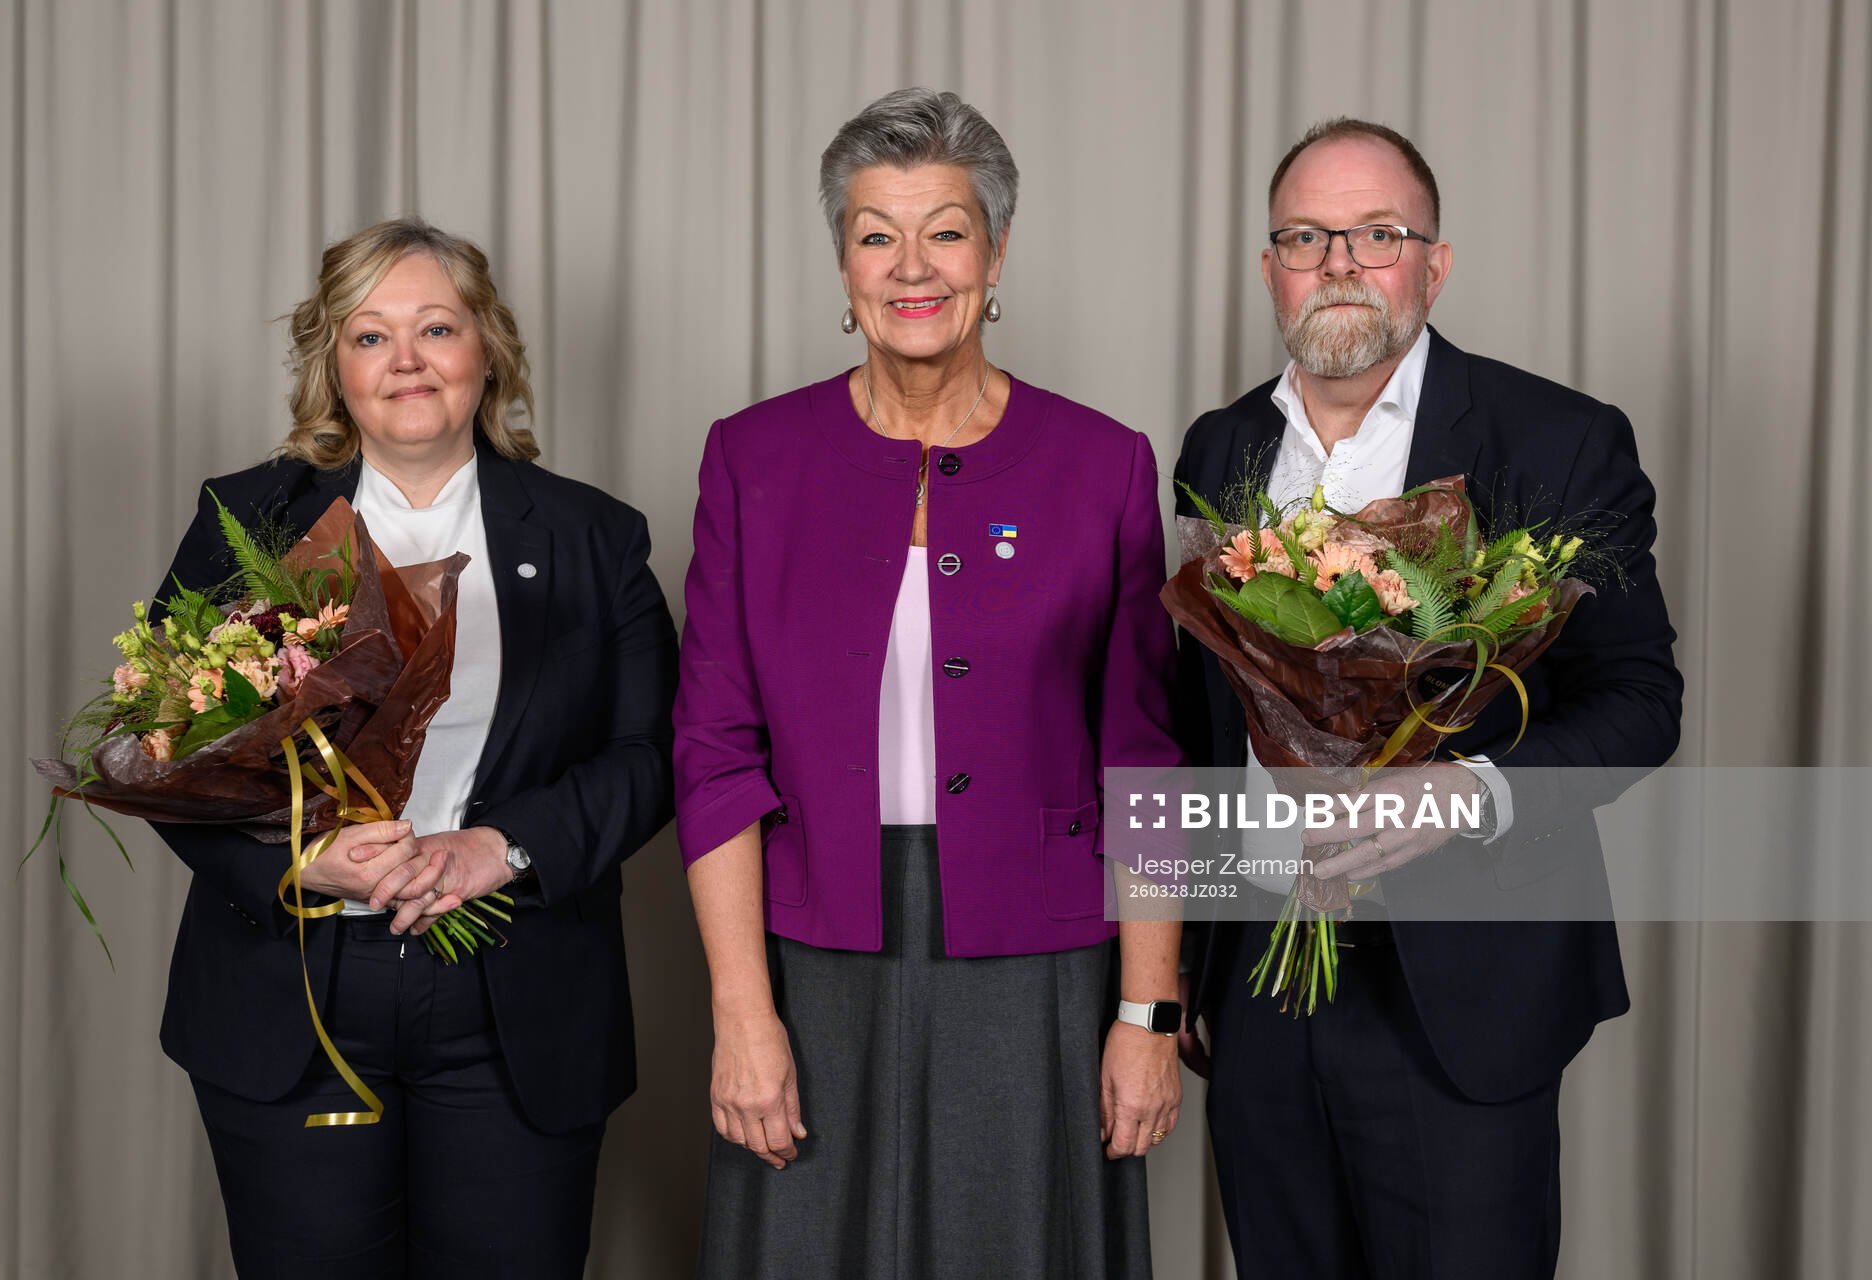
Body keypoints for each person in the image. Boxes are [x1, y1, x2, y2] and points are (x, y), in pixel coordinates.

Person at [673, 88, 1184, 1279]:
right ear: (842, 261)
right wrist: (742, 1011)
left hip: (1040, 958)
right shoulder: (752, 457)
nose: (912, 266)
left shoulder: (1103, 464)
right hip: (807, 950)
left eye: (946, 231)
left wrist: (1146, 1013)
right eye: (876, 234)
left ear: (994, 255)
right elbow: (714, 752)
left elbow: (1145, 763)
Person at [1171, 118, 1685, 1279]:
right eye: (1306, 237)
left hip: (1461, 994)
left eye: (1378, 233)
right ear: (1270, 267)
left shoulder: (1556, 438)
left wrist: (1465, 791)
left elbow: (1641, 698)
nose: (1339, 263)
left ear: (1434, 264)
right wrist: (1185, 960)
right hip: (1259, 977)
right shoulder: (1219, 446)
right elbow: (1200, 718)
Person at [147, 216, 678, 1277]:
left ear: (487, 347)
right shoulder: (246, 519)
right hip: (293, 994)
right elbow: (162, 746)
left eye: (436, 327)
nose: (407, 361)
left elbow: (652, 753)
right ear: (333, 367)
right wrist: (300, 861)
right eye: (370, 335)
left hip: (516, 995)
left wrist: (502, 847)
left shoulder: (594, 535)